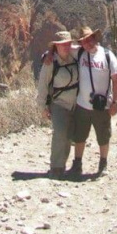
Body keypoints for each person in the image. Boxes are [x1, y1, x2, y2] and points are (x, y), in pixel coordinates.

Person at [69, 25, 117, 178]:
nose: (88, 43)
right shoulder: (79, 53)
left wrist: (115, 102)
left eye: (90, 39)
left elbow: (116, 79)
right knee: (80, 136)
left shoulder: (107, 55)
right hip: (82, 104)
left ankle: (103, 164)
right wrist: (48, 55)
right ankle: (77, 164)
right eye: (84, 41)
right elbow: (63, 49)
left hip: (102, 105)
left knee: (103, 135)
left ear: (95, 38)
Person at [36, 30, 79, 178]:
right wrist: (42, 106)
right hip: (59, 103)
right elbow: (42, 85)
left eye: (67, 44)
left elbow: (88, 48)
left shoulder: (74, 55)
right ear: (56, 47)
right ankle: (56, 167)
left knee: (68, 136)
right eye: (61, 45)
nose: (65, 47)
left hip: (75, 104)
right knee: (60, 133)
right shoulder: (50, 63)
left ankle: (63, 165)